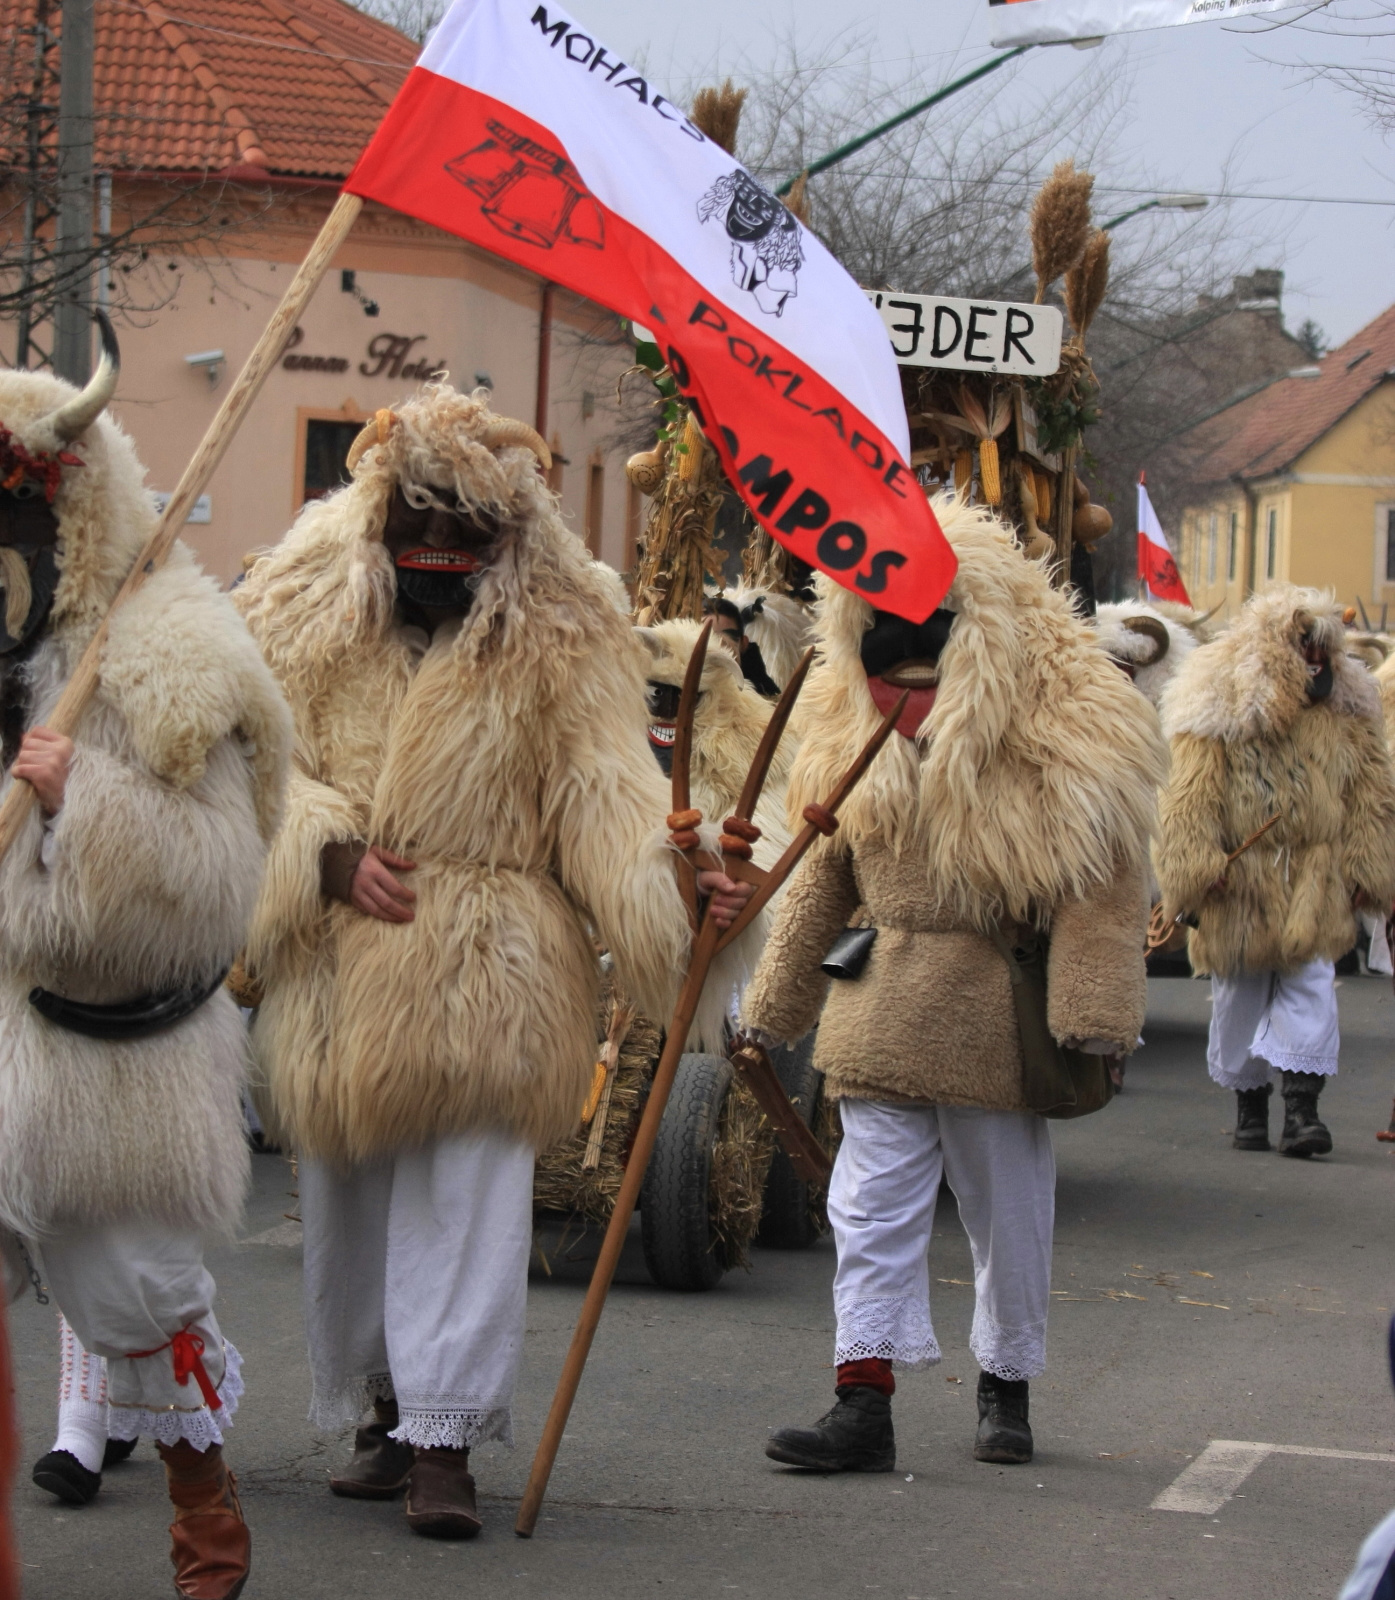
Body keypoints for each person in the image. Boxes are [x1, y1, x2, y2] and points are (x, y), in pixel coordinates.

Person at [234, 384, 748, 1540]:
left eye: (468, 534)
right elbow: (254, 765)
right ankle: (383, 1404)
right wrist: (321, 853)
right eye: (422, 525)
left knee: (467, 1195)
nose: (443, 552)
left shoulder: (563, 625)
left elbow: (606, 798)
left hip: (492, 959)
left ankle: (445, 1437)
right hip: (341, 968)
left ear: (503, 535)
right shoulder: (300, 602)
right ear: (384, 513)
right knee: (352, 1204)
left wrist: (687, 883)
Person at [741, 495, 1165, 1473]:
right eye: (890, 671)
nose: (911, 693)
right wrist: (773, 1006)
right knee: (868, 1207)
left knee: (1006, 1210)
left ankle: (1005, 1383)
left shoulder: (1059, 750)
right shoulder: (849, 745)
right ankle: (862, 1395)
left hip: (994, 1016)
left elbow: (1102, 883)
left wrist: (1094, 1010)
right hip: (881, 1006)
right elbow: (821, 877)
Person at [0, 327, 291, 1599]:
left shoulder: (172, 649)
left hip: (108, 1052)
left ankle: (201, 1500)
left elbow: (214, 876)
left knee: (141, 1294)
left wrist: (84, 801)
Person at [1155, 587, 1395, 1156]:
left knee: (1312, 987)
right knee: (1240, 991)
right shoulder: (1217, 700)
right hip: (1241, 880)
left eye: (1321, 649)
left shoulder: (1350, 708)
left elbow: (1370, 792)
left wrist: (1369, 866)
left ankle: (1301, 1113)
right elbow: (1187, 794)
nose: (1315, 659)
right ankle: (1250, 1107)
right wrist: (1194, 864)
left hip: (1316, 874)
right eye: (1303, 646)